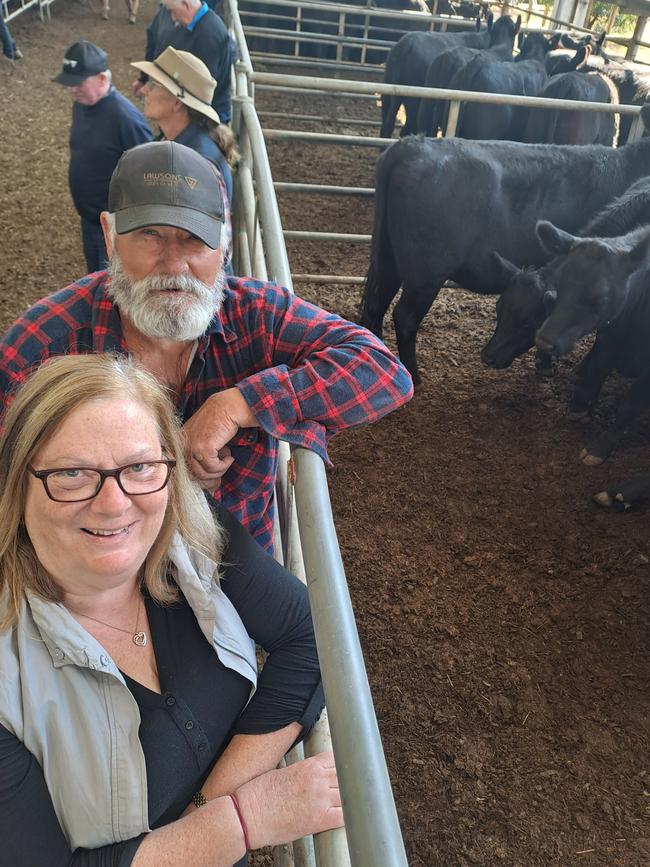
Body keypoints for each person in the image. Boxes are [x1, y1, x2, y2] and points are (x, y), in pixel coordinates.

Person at [0, 352, 342, 866]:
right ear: (17, 485)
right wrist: (242, 821)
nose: (114, 504)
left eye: (138, 467)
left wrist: (209, 810)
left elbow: (315, 634)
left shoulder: (192, 536)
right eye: (72, 473)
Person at [0, 141, 413, 555]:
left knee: (306, 619)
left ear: (226, 242)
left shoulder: (256, 315)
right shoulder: (44, 346)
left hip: (233, 568)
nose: (174, 264)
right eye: (149, 235)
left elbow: (382, 370)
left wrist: (238, 405)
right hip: (100, 574)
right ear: (109, 235)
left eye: (194, 240)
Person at [54, 41, 152, 273]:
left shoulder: (126, 118)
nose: (72, 89)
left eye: (78, 83)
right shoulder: (81, 105)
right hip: (90, 218)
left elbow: (148, 176)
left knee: (112, 287)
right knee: (96, 279)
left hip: (116, 225)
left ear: (101, 78)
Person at [132, 45, 237, 204]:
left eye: (154, 84)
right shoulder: (182, 142)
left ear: (177, 103)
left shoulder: (195, 165)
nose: (145, 89)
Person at [135, 0, 233, 123]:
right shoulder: (180, 21)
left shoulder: (209, 36)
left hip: (203, 118)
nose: (172, 18)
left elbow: (201, 92)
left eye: (173, 12)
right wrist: (144, 78)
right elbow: (153, 40)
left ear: (186, 5)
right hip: (181, 108)